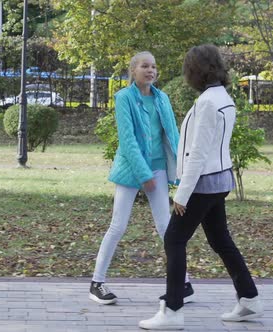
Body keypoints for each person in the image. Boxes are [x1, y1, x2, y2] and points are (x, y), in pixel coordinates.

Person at [138, 44, 264, 330]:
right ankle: (250, 299)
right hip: (219, 180)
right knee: (220, 241)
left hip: (203, 183)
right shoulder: (223, 97)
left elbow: (198, 153)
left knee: (174, 239)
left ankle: (172, 311)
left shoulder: (208, 102)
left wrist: (181, 194)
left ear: (195, 71)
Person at [89, 51, 193, 305]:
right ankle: (97, 283)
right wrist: (143, 174)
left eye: (154, 67)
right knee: (118, 226)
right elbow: (128, 141)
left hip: (158, 168)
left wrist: (181, 170)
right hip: (132, 170)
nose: (151, 71)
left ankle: (184, 284)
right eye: (145, 66)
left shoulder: (162, 98)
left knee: (166, 227)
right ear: (133, 70)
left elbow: (173, 135)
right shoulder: (124, 98)